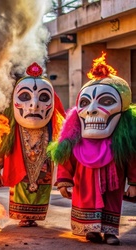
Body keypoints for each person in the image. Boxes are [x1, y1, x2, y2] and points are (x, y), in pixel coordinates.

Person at [49, 53, 136, 245]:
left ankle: (110, 232)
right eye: (85, 103)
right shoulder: (76, 138)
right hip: (84, 180)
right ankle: (91, 231)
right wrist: (64, 181)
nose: (91, 110)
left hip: (113, 180)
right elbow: (65, 156)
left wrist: (134, 182)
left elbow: (132, 159)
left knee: (112, 202)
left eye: (105, 102)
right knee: (86, 201)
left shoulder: (122, 140)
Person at [0, 62, 65, 227]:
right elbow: (3, 147)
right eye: (25, 97)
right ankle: (24, 216)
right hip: (20, 167)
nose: (34, 105)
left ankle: (34, 216)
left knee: (41, 187)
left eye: (44, 98)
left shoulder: (52, 127)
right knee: (22, 187)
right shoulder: (12, 128)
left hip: (43, 168)